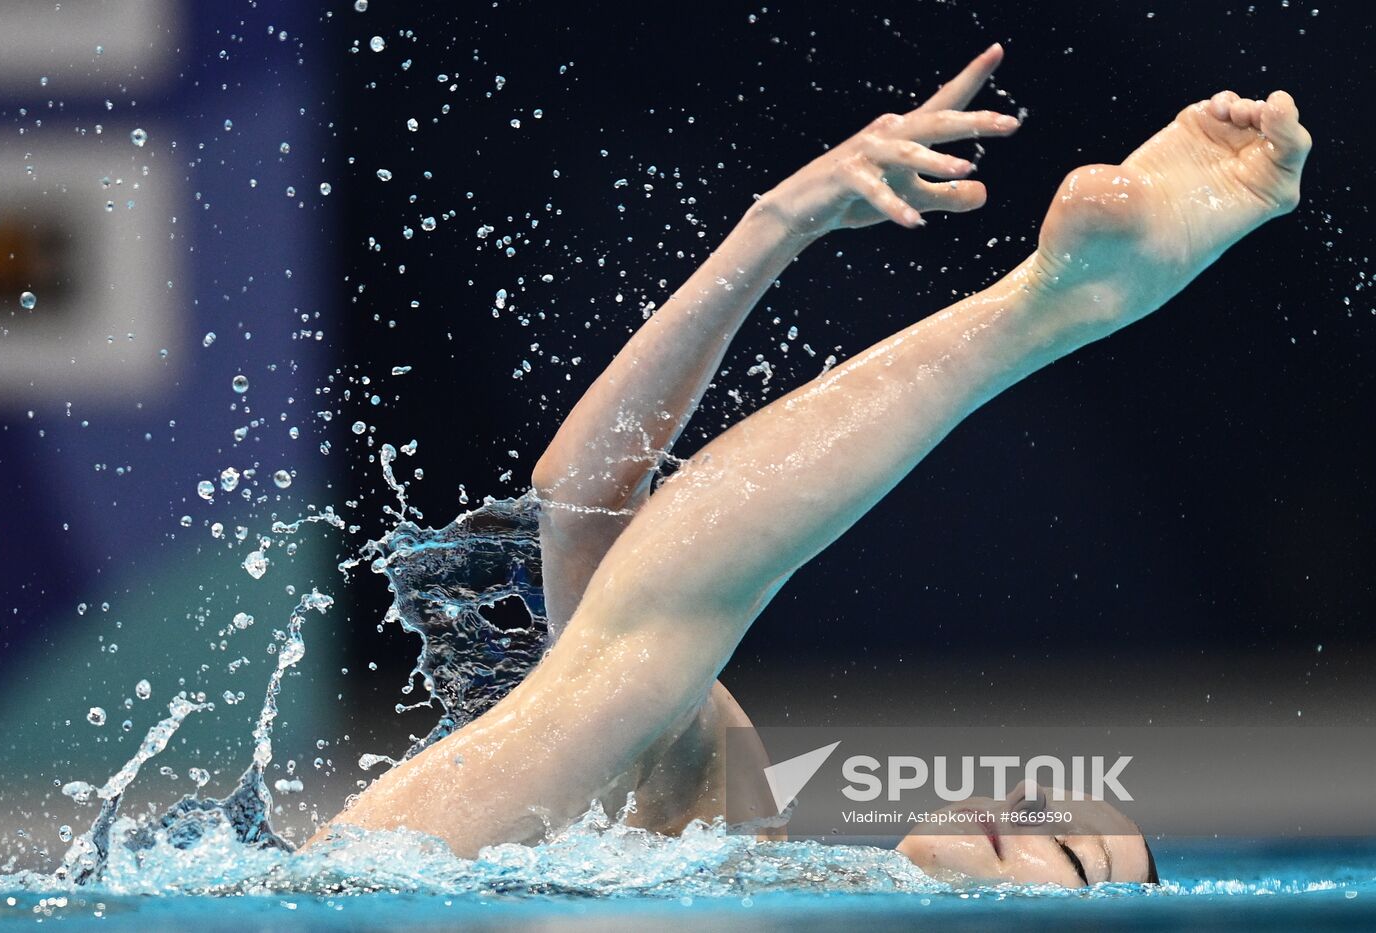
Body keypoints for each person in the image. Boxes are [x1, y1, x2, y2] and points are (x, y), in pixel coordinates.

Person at [308, 43, 1311, 887]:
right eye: (1040, 795)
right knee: (626, 663)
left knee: (629, 664)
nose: (1026, 803)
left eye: (1068, 849)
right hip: (313, 894)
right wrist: (777, 222)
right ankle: (1038, 311)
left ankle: (1042, 313)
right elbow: (586, 509)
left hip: (332, 896)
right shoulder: (725, 845)